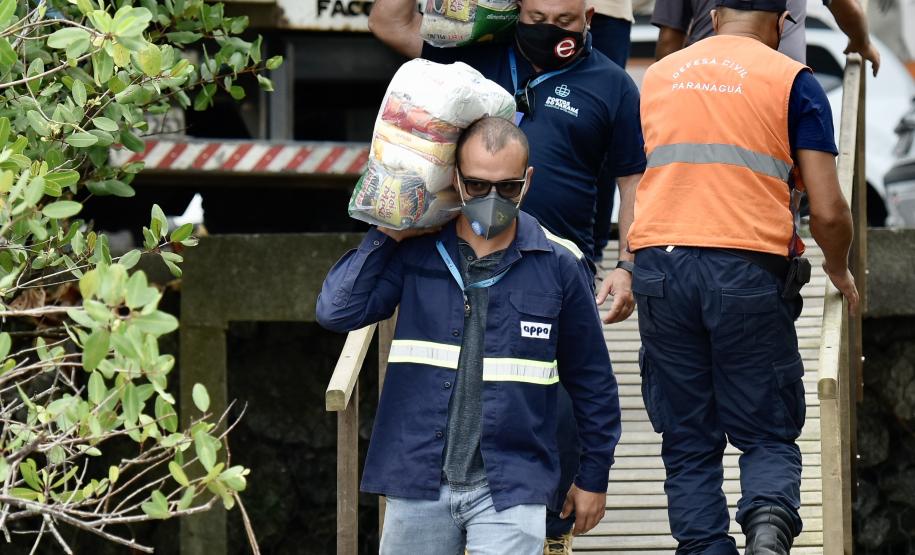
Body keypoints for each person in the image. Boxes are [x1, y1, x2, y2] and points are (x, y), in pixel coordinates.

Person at [368, 0, 646, 549]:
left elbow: (633, 182)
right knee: (464, 391)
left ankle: (550, 529)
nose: (549, 32)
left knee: (555, 401)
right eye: (536, 20)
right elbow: (388, 21)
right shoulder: (473, 58)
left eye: (564, 23)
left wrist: (628, 265)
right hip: (462, 258)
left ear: (590, 16)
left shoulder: (611, 85)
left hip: (555, 266)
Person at [317, 117, 622, 554]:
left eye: (507, 187)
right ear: (455, 179)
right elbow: (337, 311)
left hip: (512, 485)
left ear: (528, 181)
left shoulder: (558, 265)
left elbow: (593, 381)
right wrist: (388, 232)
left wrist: (593, 477)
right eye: (477, 185)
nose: (492, 199)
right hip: (418, 477)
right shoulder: (417, 252)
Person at [627, 0, 860, 553]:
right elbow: (829, 211)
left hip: (659, 269)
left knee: (687, 437)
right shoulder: (793, 81)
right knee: (766, 430)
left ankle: (704, 547)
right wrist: (838, 266)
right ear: (782, 22)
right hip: (746, 271)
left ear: (714, 15)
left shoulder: (659, 75)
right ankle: (767, 532)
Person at [652, 0, 881, 75]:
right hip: (780, 81)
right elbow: (847, 8)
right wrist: (862, 42)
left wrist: (670, 87)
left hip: (704, 79)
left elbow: (669, 40)